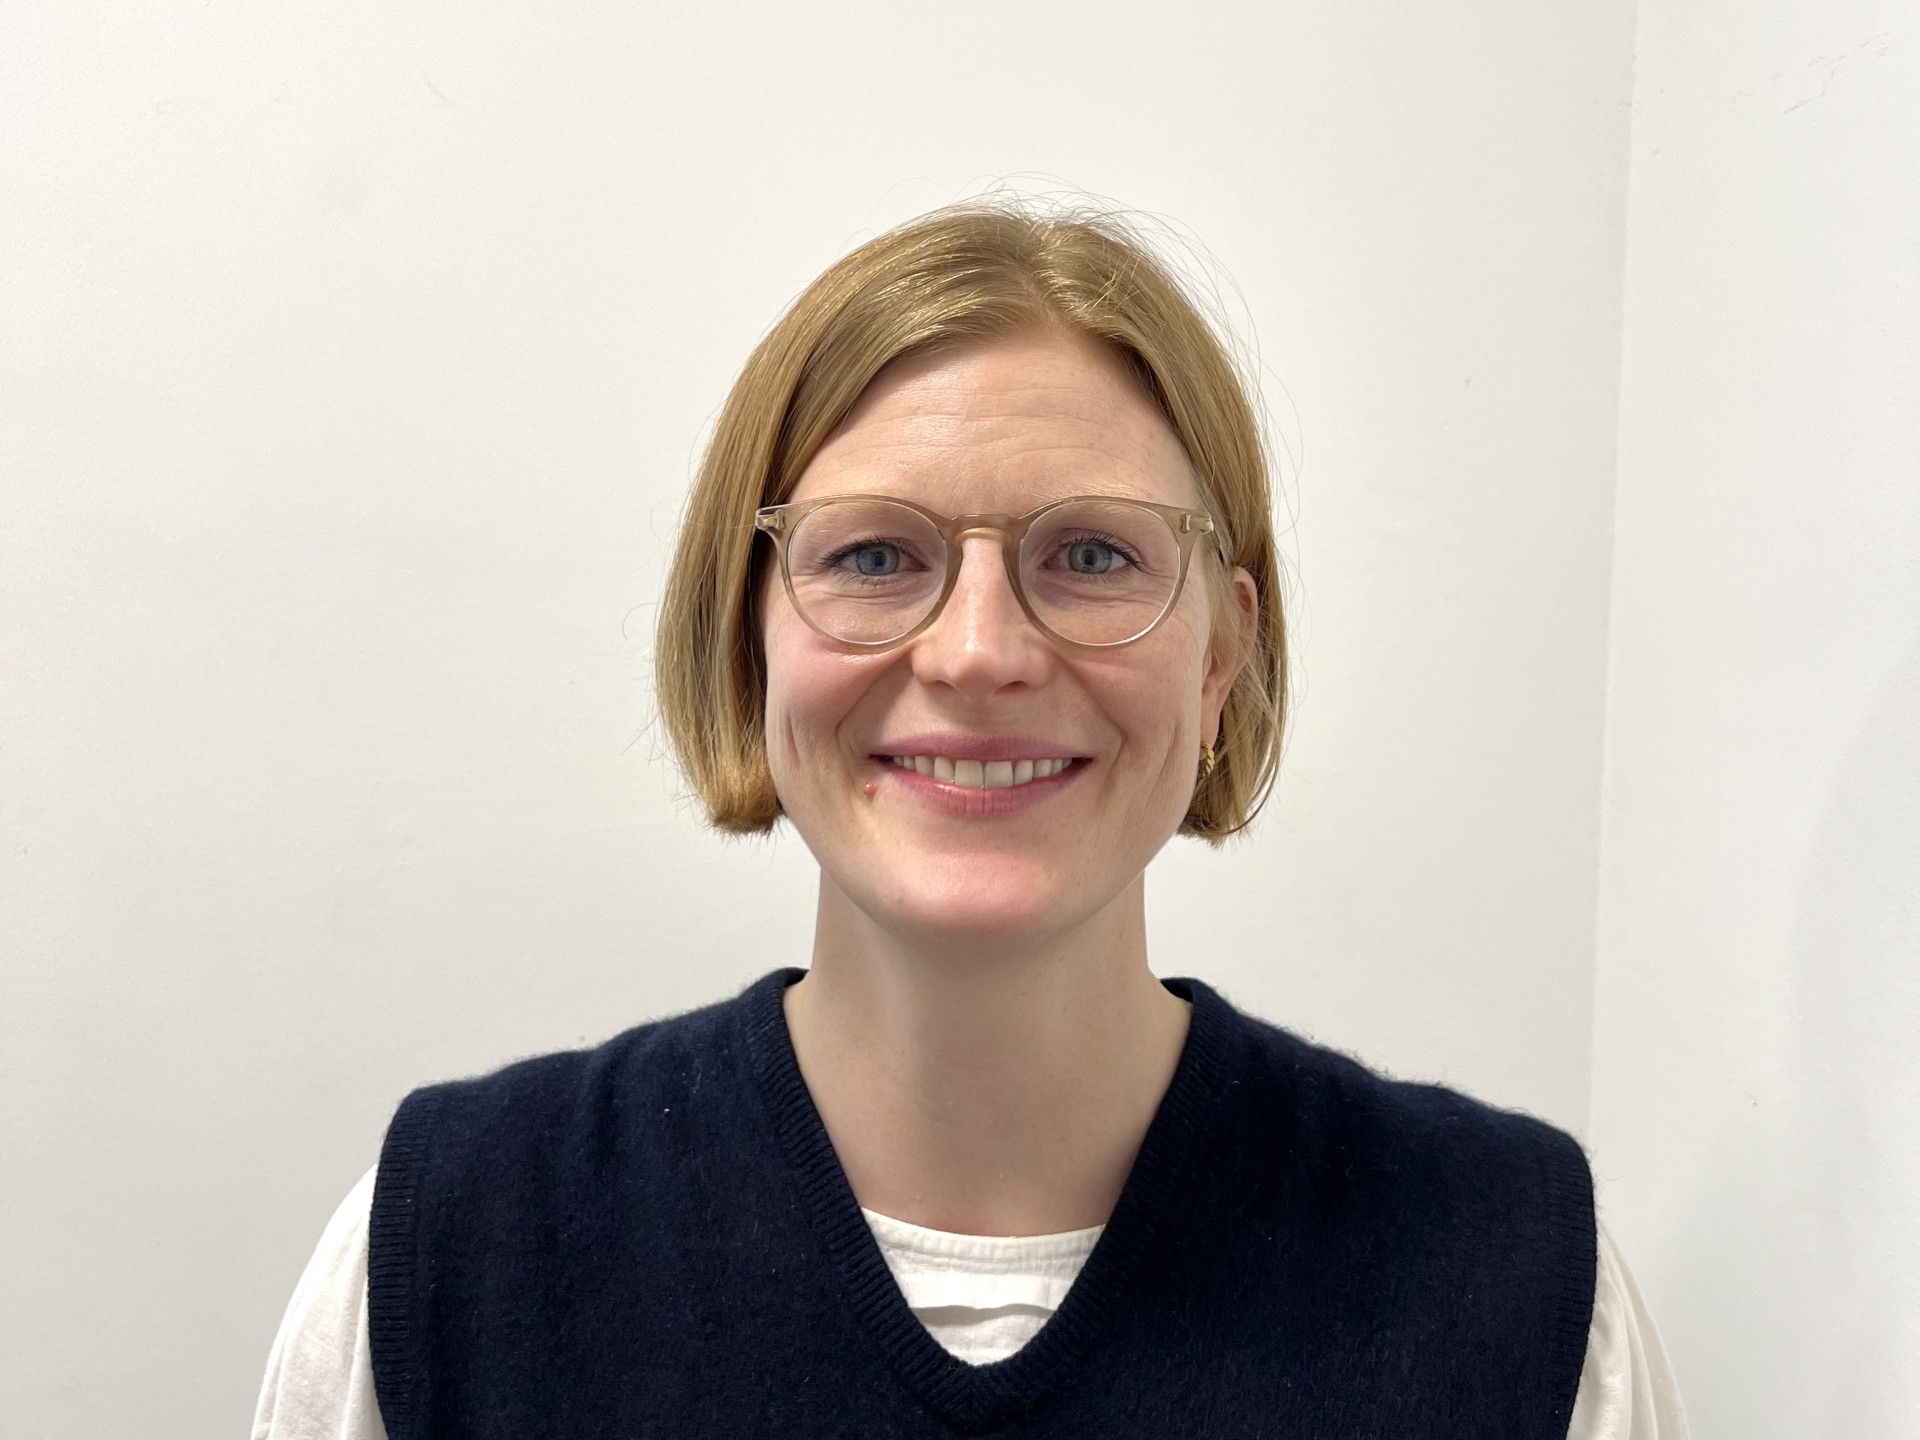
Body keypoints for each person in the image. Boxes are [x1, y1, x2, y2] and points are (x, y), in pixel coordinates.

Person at [253, 202, 1686, 1438]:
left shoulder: (1513, 1275)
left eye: (1094, 554)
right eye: (876, 555)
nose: (979, 651)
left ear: (1225, 654)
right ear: (749, 635)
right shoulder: (451, 1248)